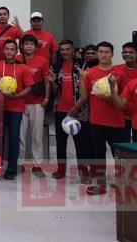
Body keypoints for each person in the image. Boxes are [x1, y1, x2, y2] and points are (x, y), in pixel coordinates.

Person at [69, 41, 130, 195]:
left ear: (112, 54)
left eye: (106, 52)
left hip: (116, 121)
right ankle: (101, 185)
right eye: (101, 52)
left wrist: (111, 93)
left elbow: (124, 98)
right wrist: (82, 79)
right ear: (97, 54)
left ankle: (123, 184)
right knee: (99, 153)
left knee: (119, 154)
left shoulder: (119, 74)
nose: (103, 55)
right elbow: (84, 96)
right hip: (96, 120)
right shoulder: (90, 73)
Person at [48, 39, 92, 181]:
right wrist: (52, 81)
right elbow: (55, 90)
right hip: (60, 111)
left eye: (67, 49)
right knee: (61, 143)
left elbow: (86, 90)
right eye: (62, 49)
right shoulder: (56, 66)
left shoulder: (81, 65)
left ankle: (83, 172)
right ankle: (61, 170)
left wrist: (76, 108)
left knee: (81, 144)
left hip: (78, 111)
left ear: (73, 50)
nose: (65, 52)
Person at [0, 39, 34, 180]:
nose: (9, 52)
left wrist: (17, 96)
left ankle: (11, 168)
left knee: (14, 138)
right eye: (7, 49)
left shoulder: (23, 67)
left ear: (16, 51)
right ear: (3, 50)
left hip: (16, 107)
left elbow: (29, 87)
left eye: (12, 49)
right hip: (0, 106)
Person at [17, 34, 51, 178]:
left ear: (36, 46)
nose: (29, 46)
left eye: (32, 44)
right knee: (20, 136)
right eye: (26, 43)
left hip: (37, 103)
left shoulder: (42, 61)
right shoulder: (17, 59)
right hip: (20, 103)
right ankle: (20, 163)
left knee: (37, 136)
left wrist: (46, 98)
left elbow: (47, 82)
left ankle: (37, 165)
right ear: (22, 46)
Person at [114, 41, 137, 140]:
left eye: (130, 52)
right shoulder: (115, 69)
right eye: (124, 52)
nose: (127, 54)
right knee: (123, 144)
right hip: (121, 115)